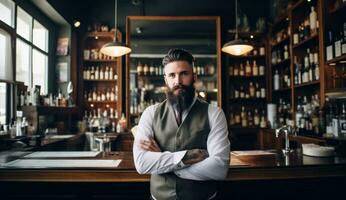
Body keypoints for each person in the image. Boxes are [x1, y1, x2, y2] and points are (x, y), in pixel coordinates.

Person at [133, 48, 230, 200]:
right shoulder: (150, 113)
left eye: (184, 73)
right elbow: (142, 164)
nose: (177, 81)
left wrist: (163, 164)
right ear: (166, 80)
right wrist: (188, 157)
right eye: (172, 75)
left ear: (194, 77)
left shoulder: (214, 113)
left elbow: (219, 168)